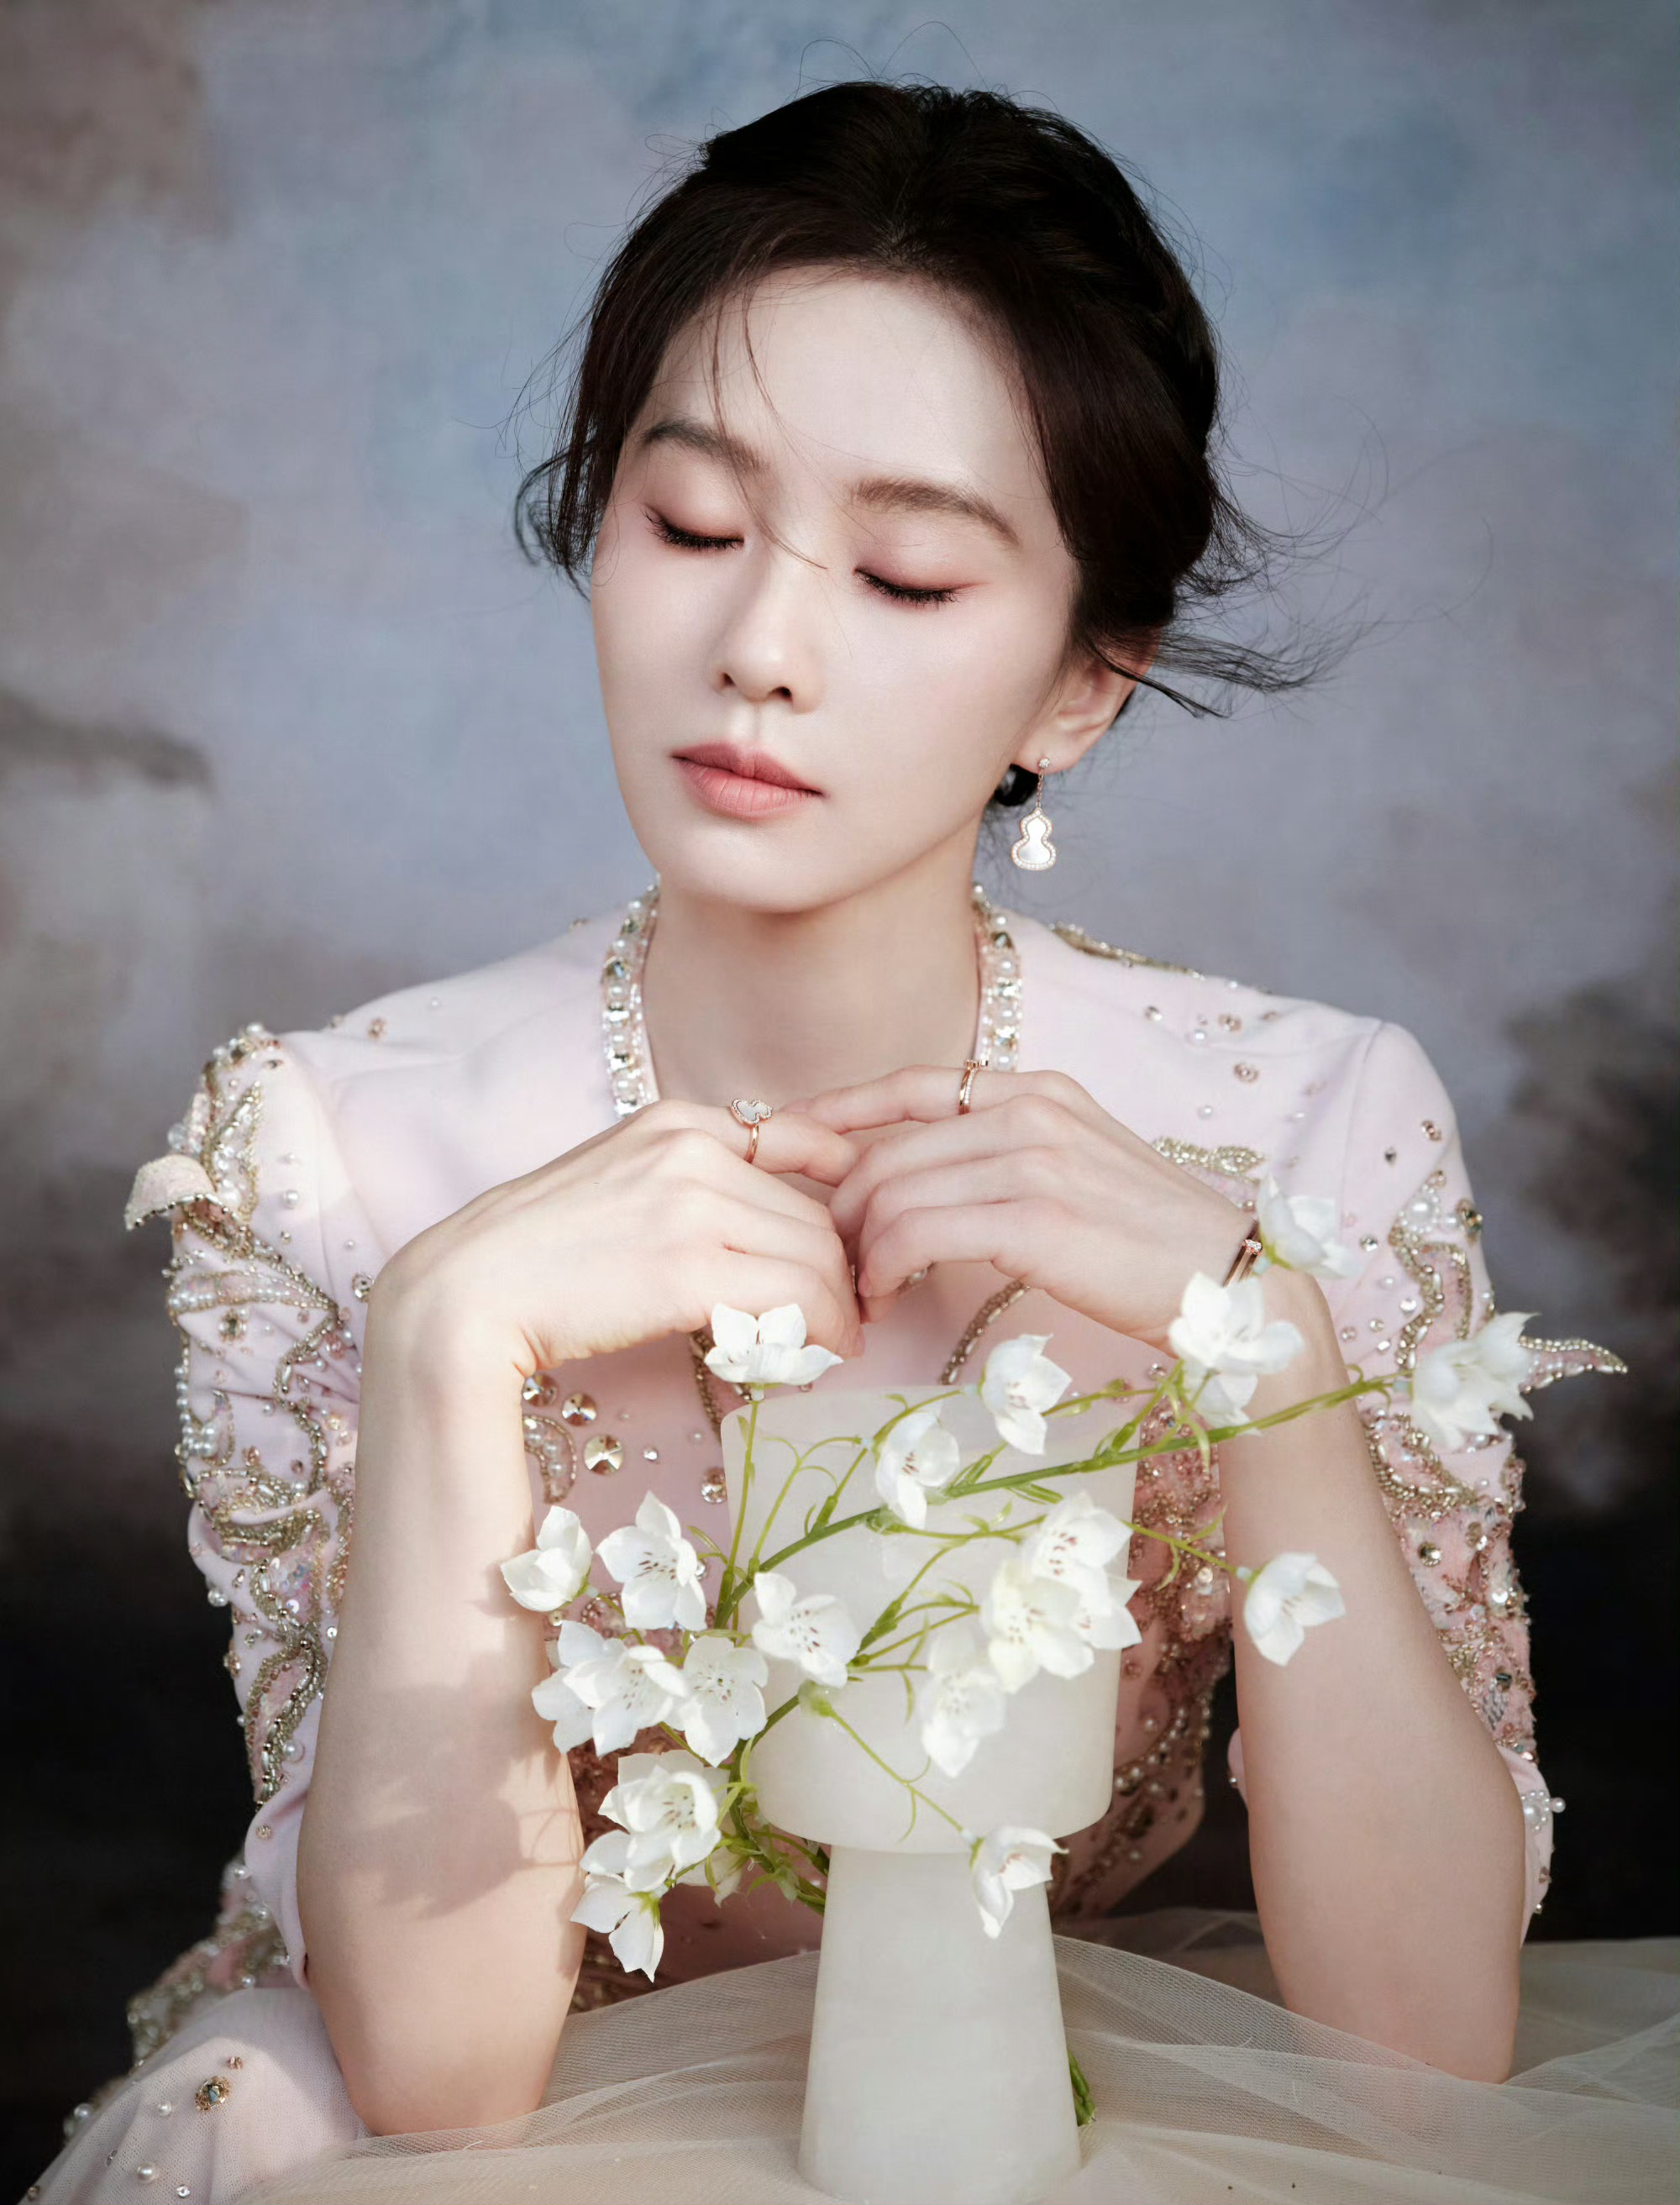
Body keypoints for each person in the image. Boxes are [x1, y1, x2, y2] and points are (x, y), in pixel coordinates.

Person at [30, 78, 1668, 2205]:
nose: (759, 651)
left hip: (1014, 2099)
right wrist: (446, 1342)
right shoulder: (330, 1139)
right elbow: (441, 2087)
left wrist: (1252, 1333)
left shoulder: (1301, 1121)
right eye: (690, 525)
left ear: (1080, 682)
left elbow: (1427, 2051)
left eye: (904, 575)